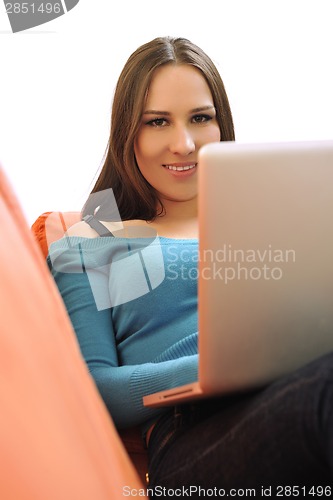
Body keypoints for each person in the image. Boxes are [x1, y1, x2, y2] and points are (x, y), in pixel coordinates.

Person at [48, 36, 333, 494]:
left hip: (302, 385)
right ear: (128, 132)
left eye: (200, 118)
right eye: (157, 122)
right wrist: (232, 365)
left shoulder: (276, 216)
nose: (183, 144)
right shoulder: (96, 235)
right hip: (193, 434)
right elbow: (96, 390)